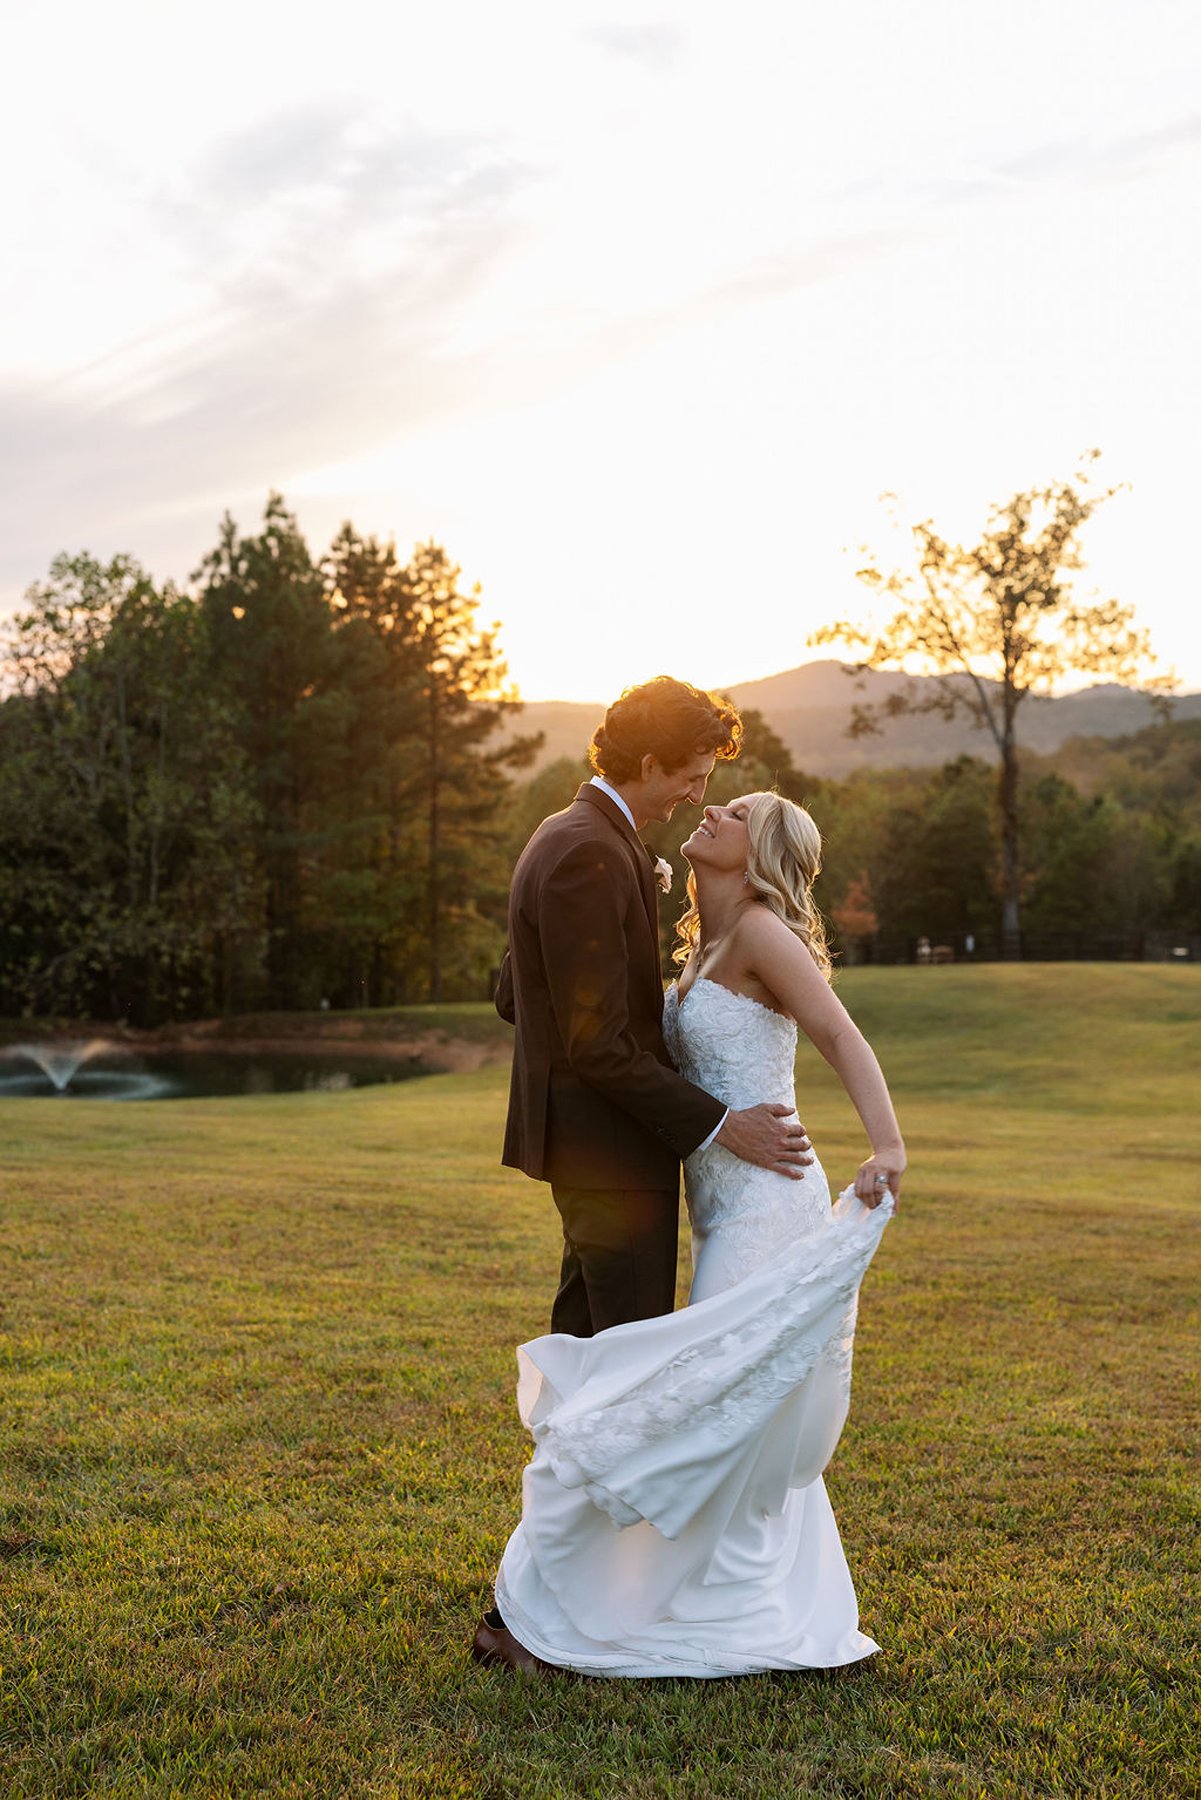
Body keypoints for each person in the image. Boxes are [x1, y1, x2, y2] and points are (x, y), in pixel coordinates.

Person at [480, 790, 904, 1678]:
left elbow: (838, 1031)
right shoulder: (699, 947)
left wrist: (887, 1145)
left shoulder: (757, 933)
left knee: (700, 1405)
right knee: (718, 1407)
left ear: (760, 854)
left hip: (768, 1207)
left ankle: (648, 1609)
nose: (713, 806)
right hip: (717, 1211)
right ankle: (728, 1599)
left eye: (738, 811)